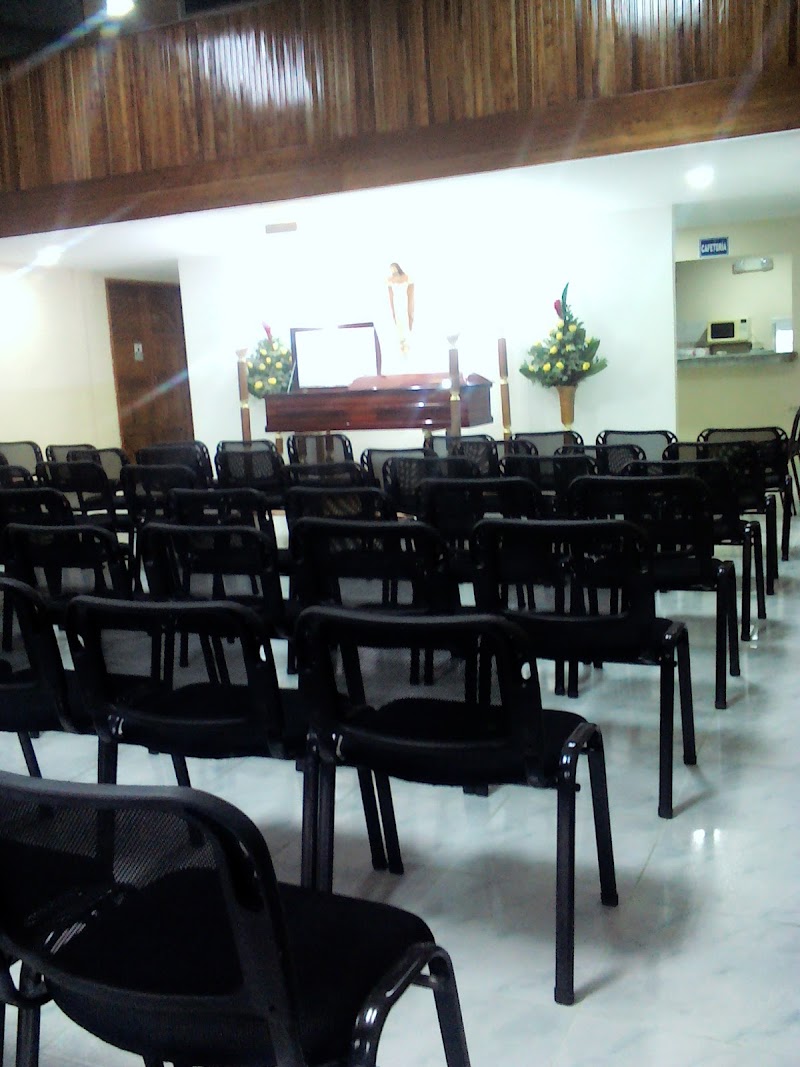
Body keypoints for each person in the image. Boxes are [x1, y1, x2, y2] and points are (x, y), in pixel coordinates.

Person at [387, 262, 415, 354]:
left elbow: (411, 288)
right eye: (391, 269)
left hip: (404, 301)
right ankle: (401, 343)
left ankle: (407, 343)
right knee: (398, 321)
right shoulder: (390, 279)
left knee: (405, 320)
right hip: (396, 303)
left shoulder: (406, 277)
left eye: (394, 268)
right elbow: (390, 294)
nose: (393, 270)